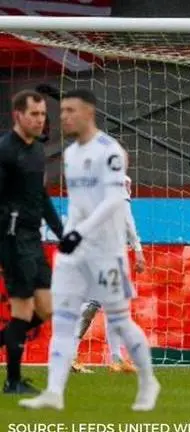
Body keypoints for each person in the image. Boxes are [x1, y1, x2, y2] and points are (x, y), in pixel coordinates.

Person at [19, 89, 159, 411]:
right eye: (63, 110)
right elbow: (79, 206)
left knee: (120, 320)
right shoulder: (71, 155)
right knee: (65, 316)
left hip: (106, 252)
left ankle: (148, 381)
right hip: (76, 250)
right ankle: (54, 390)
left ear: (88, 113)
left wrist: (131, 247)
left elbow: (115, 204)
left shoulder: (111, 153)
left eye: (70, 110)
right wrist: (68, 234)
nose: (63, 116)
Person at [0, 89, 64, 394]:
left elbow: (40, 196)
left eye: (42, 114)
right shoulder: (5, 151)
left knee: (48, 307)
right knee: (22, 311)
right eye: (34, 114)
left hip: (33, 239)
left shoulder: (38, 151)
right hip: (12, 239)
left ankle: (8, 341)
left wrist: (61, 232)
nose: (40, 120)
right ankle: (12, 381)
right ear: (18, 116)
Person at [71, 174, 145, 374]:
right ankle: (71, 354)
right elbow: (126, 218)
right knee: (97, 302)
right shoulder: (120, 179)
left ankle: (116, 358)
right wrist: (137, 249)